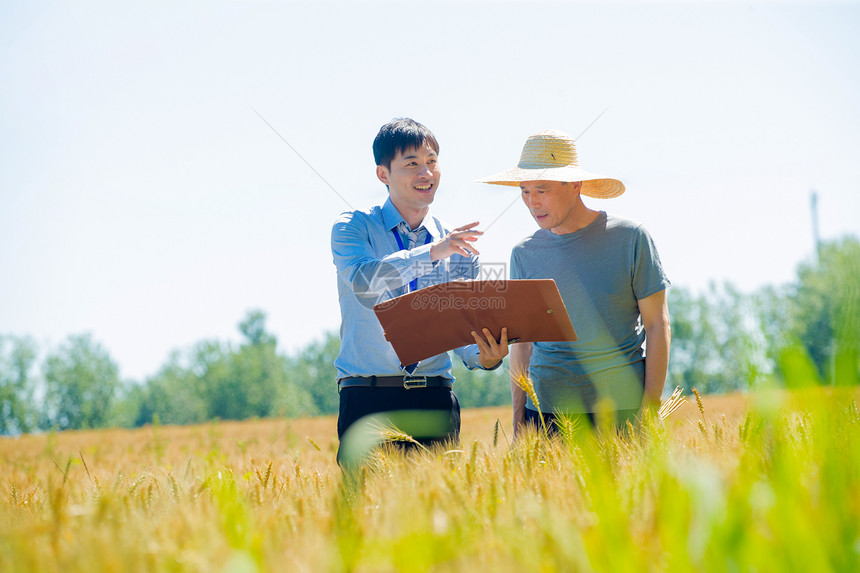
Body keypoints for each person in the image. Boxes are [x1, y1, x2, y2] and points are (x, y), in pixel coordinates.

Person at [331, 118, 508, 463]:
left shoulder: (456, 245)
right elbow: (365, 280)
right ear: (383, 174)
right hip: (368, 399)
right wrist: (432, 253)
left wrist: (487, 357)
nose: (425, 173)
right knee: (368, 513)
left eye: (431, 162)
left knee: (440, 515)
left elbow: (462, 332)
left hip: (436, 399)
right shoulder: (353, 227)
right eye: (412, 164)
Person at [477, 129, 671, 436]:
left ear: (576, 185)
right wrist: (518, 420)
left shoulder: (631, 239)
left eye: (542, 190)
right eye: (524, 191)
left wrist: (649, 411)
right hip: (544, 414)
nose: (532, 203)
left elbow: (658, 325)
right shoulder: (523, 254)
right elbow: (522, 343)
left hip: (621, 413)